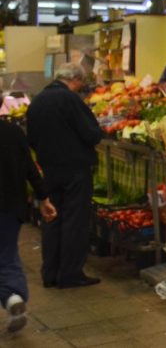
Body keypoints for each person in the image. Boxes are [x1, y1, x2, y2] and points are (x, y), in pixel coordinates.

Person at [26, 63, 103, 289]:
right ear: (76, 79)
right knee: (74, 221)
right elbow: (92, 134)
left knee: (51, 219)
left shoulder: (38, 100)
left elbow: (30, 138)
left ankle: (49, 273)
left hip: (49, 170)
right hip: (75, 170)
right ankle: (70, 274)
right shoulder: (70, 99)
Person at [0, 118, 57, 332]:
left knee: (5, 255)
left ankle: (11, 298)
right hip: (11, 207)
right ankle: (13, 297)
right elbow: (29, 167)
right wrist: (43, 197)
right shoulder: (13, 132)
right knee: (6, 252)